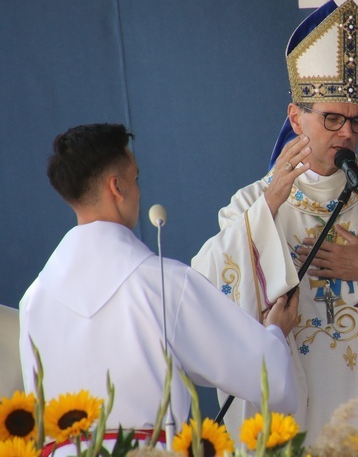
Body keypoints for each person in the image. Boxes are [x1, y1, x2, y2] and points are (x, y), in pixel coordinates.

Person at [192, 0, 358, 443]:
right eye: (332, 118)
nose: (346, 134)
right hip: (293, 414)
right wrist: (268, 210)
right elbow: (204, 299)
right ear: (296, 117)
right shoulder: (252, 203)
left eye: (357, 122)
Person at [19, 123, 298, 445]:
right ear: (117, 187)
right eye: (135, 179)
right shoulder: (160, 284)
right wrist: (275, 332)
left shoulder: (33, 299)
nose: (138, 191)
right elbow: (267, 378)